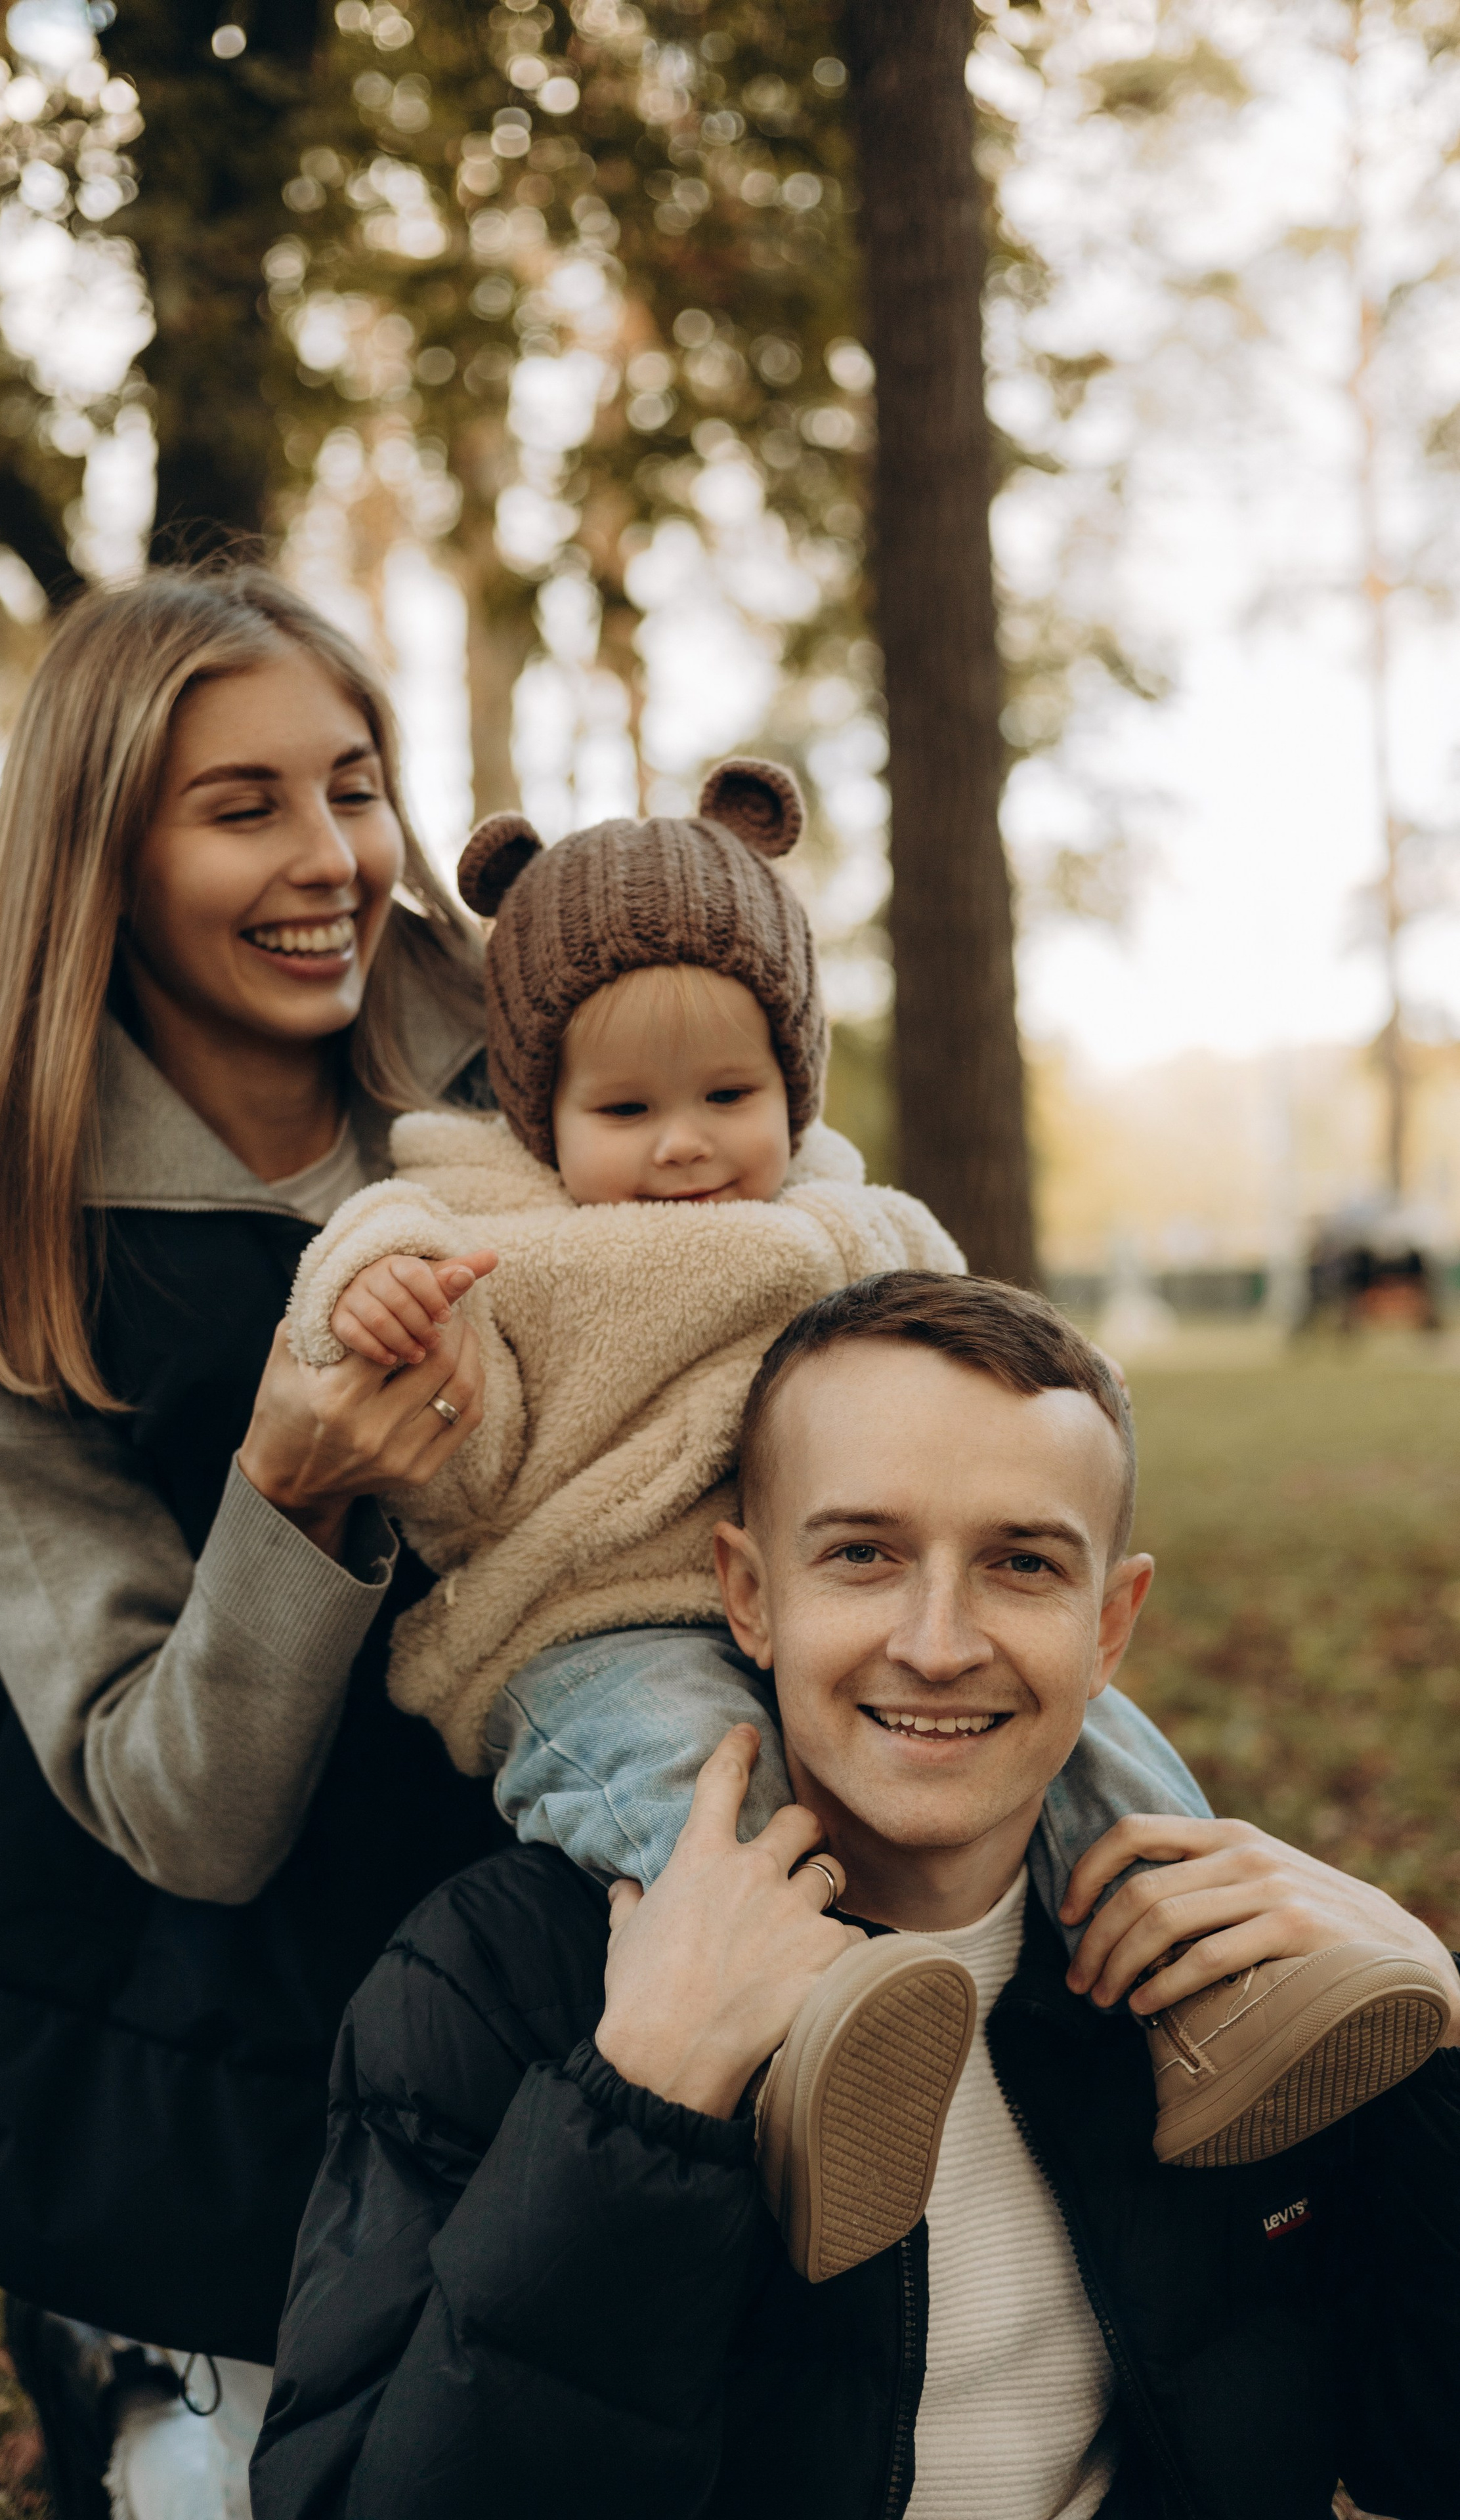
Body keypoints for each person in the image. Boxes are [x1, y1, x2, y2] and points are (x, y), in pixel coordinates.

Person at [280, 777, 1434, 2278]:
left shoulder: (853, 1225)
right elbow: (417, 1373)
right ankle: (806, 2043)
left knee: (1095, 1737)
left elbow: (963, 1373)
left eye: (727, 1099)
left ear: (794, 1089)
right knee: (699, 1793)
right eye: (623, 1111)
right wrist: (371, 1304)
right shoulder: (488, 1237)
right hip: (588, 1626)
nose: (684, 1147)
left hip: (838, 1588)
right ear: (533, 1109)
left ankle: (1210, 1979)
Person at [251, 1272, 1460, 2520]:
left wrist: (1447, 2055)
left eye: (1022, 1562)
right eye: (864, 1555)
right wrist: (639, 2108)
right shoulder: (498, 1979)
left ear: (1110, 1628)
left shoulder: (1231, 1987)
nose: (938, 1643)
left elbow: (1423, 2455)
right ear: (750, 1596)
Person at [0, 566, 513, 2520]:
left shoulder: (539, 1087)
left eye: (357, 784)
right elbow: (183, 1811)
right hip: (177, 2049)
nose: (332, 861)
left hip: (528, 1971)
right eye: (244, 808)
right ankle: (140, 2369)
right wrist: (286, 1492)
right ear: (105, 854)